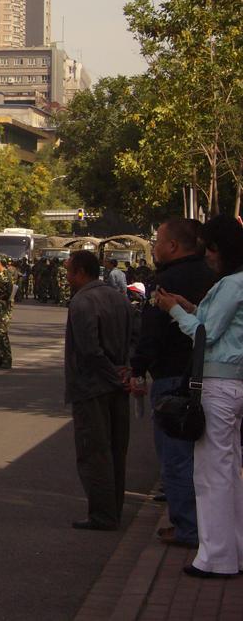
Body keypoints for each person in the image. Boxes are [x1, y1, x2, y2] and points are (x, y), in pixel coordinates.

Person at [154, 215, 243, 579]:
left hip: (219, 384)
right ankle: (232, 550)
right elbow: (213, 322)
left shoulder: (232, 285)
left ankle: (216, 557)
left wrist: (174, 310)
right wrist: (188, 307)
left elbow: (206, 333)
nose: (206, 254)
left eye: (209, 246)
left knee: (213, 475)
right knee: (230, 472)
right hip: (235, 383)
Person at [130, 218, 217, 550]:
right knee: (207, 459)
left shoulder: (164, 283)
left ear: (173, 246)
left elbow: (151, 333)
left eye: (158, 241)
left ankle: (188, 528)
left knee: (176, 457)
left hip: (172, 379)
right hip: (211, 375)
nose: (154, 247)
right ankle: (206, 524)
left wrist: (138, 367)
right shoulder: (215, 279)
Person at [64, 249, 135, 531]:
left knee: (95, 451)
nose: (67, 276)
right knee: (117, 448)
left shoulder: (82, 301)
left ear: (81, 272)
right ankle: (112, 509)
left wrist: (113, 375)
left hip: (93, 386)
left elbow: (90, 350)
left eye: (69, 270)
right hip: (116, 383)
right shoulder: (118, 298)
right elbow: (134, 338)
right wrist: (125, 371)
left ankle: (103, 515)